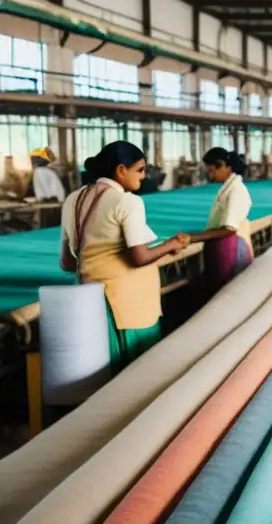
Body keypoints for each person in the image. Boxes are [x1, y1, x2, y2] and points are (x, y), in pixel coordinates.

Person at [59, 141, 190, 370]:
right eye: (140, 170)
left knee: (103, 371)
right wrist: (171, 245)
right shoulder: (127, 202)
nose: (143, 176)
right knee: (136, 372)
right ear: (121, 170)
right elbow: (138, 257)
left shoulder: (74, 200)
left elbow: (68, 262)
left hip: (90, 300)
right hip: (127, 305)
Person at [187, 148, 253, 298]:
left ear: (223, 166)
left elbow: (229, 229)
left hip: (229, 248)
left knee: (227, 294)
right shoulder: (228, 188)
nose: (211, 175)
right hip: (220, 247)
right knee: (219, 293)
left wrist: (193, 237)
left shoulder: (236, 190)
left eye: (212, 171)